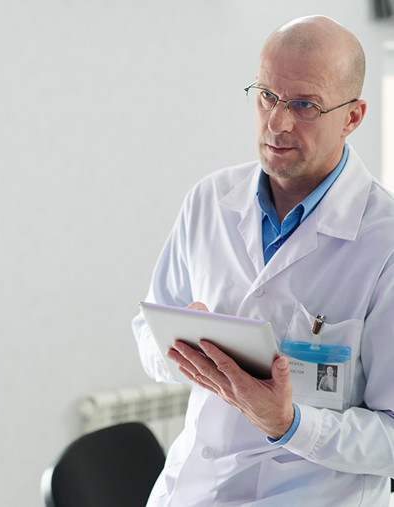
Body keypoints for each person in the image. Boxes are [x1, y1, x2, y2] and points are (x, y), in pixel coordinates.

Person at [132, 15, 394, 507]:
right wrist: (183, 353)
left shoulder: (384, 243)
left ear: (353, 117)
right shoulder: (210, 200)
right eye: (268, 96)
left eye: (304, 105)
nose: (277, 122)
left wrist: (289, 424)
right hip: (192, 491)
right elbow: (148, 330)